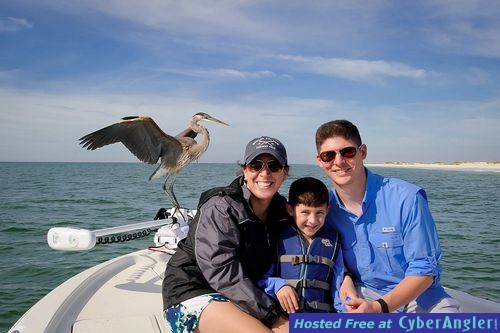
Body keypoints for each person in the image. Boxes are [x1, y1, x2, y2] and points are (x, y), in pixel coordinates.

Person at [315, 119, 461, 313]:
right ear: (320, 161)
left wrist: (379, 308)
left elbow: (426, 270)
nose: (339, 161)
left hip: (420, 298)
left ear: (363, 152)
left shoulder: (407, 198)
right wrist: (346, 278)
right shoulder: (324, 211)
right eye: (329, 155)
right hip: (363, 295)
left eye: (347, 152)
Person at [162, 136, 290, 333]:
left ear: (284, 172)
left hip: (246, 293)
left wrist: (345, 280)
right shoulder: (221, 207)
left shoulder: (283, 212)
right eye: (256, 165)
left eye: (274, 166)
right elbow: (222, 271)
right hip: (194, 288)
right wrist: (272, 315)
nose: (265, 172)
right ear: (245, 170)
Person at [257, 177, 345, 314]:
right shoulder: (276, 237)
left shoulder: (334, 242)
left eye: (319, 213)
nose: (313, 220)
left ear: (327, 210)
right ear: (290, 210)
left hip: (321, 320)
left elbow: (338, 285)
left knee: (380, 325)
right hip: (284, 320)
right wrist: (278, 285)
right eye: (305, 212)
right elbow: (260, 279)